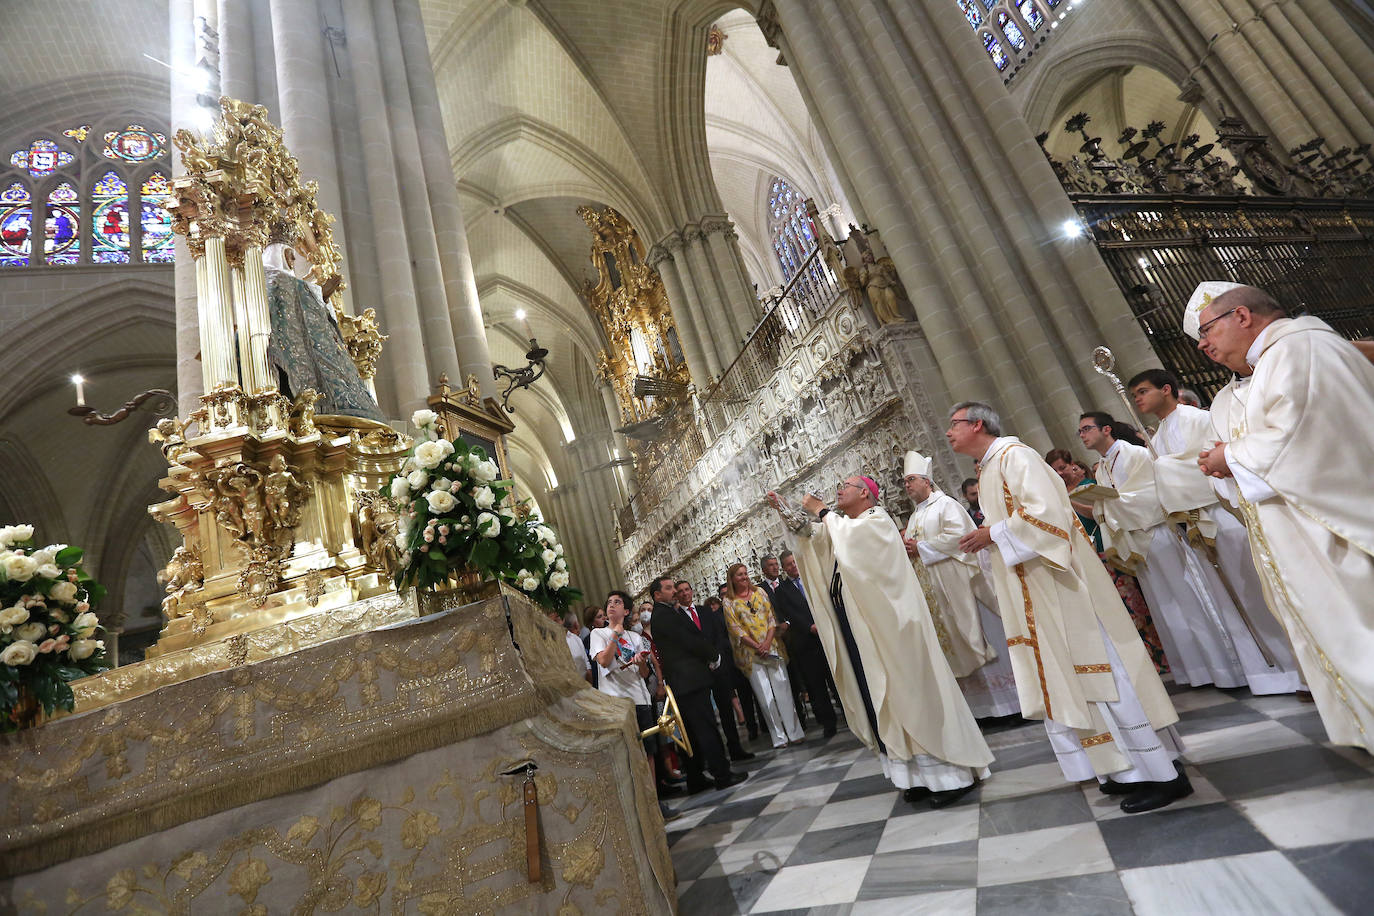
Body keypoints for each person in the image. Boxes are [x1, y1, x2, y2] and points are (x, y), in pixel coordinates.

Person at [948, 402, 1190, 813]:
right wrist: (994, 534)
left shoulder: (1014, 456)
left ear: (977, 424)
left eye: (953, 425)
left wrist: (995, 532)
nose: (949, 433)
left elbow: (1050, 516)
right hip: (1039, 589)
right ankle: (1124, 768)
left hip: (1064, 587)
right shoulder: (990, 467)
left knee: (1105, 672)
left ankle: (1161, 772)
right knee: (1079, 681)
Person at [1188, 282, 1374, 751]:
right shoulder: (1271, 363)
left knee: (1361, 634)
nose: (1205, 346)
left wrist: (1230, 456)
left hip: (1334, 529)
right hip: (1301, 535)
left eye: (1208, 330)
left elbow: (1307, 439)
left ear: (1243, 316)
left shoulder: (1300, 347)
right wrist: (1222, 461)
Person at [770, 476, 992, 808]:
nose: (838, 488)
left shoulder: (877, 522)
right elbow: (819, 546)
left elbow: (851, 541)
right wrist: (792, 518)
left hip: (896, 631)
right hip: (863, 630)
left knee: (913, 696)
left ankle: (949, 776)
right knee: (882, 700)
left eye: (846, 484)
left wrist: (823, 511)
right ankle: (914, 775)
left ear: (866, 493)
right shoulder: (847, 528)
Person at [1128, 367, 1301, 695]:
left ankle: (1294, 669)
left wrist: (1168, 471)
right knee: (1227, 600)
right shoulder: (1159, 435)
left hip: (1220, 514)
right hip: (1192, 521)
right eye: (1135, 395)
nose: (1138, 399)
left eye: (1143, 391)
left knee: (1253, 589)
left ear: (1167, 389)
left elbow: (1213, 464)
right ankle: (1263, 673)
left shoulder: (1197, 419)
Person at [1079, 410, 1251, 691]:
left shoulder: (1135, 453)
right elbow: (1114, 500)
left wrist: (1109, 504)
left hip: (1157, 531)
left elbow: (1151, 492)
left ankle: (1223, 667)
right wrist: (1104, 504)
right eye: (1081, 432)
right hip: (1133, 536)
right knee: (1164, 606)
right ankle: (1194, 670)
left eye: (1086, 429)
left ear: (1106, 429)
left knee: (1187, 599)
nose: (1083, 435)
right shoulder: (1100, 468)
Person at [901, 451, 1020, 721]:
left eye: (910, 480)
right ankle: (983, 710)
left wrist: (921, 547)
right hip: (937, 592)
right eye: (905, 482)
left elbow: (961, 539)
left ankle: (1010, 705)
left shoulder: (947, 506)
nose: (906, 486)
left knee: (980, 636)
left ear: (926, 481)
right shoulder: (915, 516)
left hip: (962, 588)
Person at [1047, 448, 1167, 674]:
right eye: (1054, 470)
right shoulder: (1058, 494)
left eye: (1062, 467)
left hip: (1106, 549)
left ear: (1072, 464)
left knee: (1134, 605)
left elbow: (1100, 513)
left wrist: (1070, 504)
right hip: (1087, 557)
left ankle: (1157, 657)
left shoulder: (1090, 485)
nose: (1060, 473)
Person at [648, 573, 748, 792]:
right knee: (706, 728)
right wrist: (712, 655)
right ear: (657, 594)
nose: (674, 591)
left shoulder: (664, 613)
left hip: (685, 681)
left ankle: (696, 779)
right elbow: (690, 640)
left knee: (692, 731)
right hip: (689, 679)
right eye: (669, 588)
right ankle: (722, 774)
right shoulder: (664, 615)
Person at [588, 591, 677, 820]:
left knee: (648, 753)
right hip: (616, 703)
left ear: (626, 611)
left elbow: (645, 673)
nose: (611, 606)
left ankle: (653, 804)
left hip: (639, 699)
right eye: (609, 602)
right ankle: (636, 809)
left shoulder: (635, 637)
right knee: (626, 755)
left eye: (617, 602)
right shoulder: (599, 633)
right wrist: (615, 636)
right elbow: (604, 661)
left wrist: (641, 663)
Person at [724, 563, 806, 748]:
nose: (744, 577)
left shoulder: (760, 592)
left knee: (783, 691)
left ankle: (794, 733)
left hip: (772, 648)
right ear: (732, 579)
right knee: (765, 697)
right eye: (739, 575)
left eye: (745, 573)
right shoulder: (728, 601)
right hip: (751, 654)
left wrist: (768, 642)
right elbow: (735, 629)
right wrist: (756, 646)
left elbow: (771, 617)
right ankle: (779, 737)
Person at [761, 551, 840, 738]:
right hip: (805, 641)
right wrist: (809, 626)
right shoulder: (782, 590)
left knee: (836, 678)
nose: (793, 566)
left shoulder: (811, 579)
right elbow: (789, 614)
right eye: (788, 564)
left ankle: (848, 713)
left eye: (794, 562)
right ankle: (828, 722)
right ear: (784, 568)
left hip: (826, 635)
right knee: (816, 685)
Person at [677, 580, 754, 762]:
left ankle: (735, 748)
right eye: (680, 591)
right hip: (698, 671)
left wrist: (717, 657)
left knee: (727, 710)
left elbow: (719, 634)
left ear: (692, 591)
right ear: (677, 596)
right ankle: (718, 755)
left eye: (687, 589)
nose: (685, 593)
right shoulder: (678, 617)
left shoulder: (704, 611)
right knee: (709, 717)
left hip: (718, 667)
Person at [758, 555, 812, 731]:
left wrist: (788, 623)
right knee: (789, 680)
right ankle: (799, 720)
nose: (775, 568)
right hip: (776, 639)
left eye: (776, 565)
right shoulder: (760, 590)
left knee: (804, 673)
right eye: (771, 566)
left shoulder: (786, 584)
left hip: (796, 634)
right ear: (764, 569)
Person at [708, 593, 763, 743]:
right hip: (731, 660)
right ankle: (752, 727)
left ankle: (764, 723)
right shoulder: (718, 616)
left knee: (758, 690)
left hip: (749, 654)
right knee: (744, 695)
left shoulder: (739, 608)